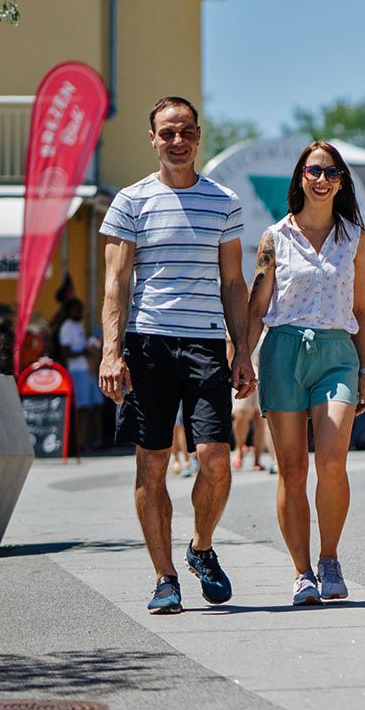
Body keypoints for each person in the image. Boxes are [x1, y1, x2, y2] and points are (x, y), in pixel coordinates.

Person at [98, 96, 254, 616]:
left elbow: (234, 282)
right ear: (153, 139)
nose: (177, 141)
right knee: (152, 465)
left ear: (198, 135)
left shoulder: (223, 202)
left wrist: (243, 351)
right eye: (167, 133)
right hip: (147, 345)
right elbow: (116, 283)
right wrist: (111, 353)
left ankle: (201, 547)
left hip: (207, 344)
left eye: (185, 132)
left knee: (215, 459)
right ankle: (165, 577)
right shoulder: (130, 201)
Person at [247, 142, 365, 607]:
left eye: (332, 172)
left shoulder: (355, 238)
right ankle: (302, 572)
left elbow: (359, 307)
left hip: (338, 351)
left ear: (341, 182)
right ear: (300, 176)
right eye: (314, 170)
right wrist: (241, 354)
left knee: (333, 461)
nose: (322, 179)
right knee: (293, 468)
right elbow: (258, 306)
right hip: (283, 350)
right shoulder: (274, 237)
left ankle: (330, 559)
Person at [57, 297, 103, 452]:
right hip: (77, 371)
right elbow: (66, 353)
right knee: (81, 408)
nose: (81, 312)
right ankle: (80, 441)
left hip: (88, 370)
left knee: (96, 405)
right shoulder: (66, 327)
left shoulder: (79, 326)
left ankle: (96, 440)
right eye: (77, 309)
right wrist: (84, 351)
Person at [230, 333, 272, 473]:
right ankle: (239, 448)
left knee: (261, 418)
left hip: (264, 372)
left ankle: (257, 459)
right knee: (241, 415)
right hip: (243, 370)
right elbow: (230, 349)